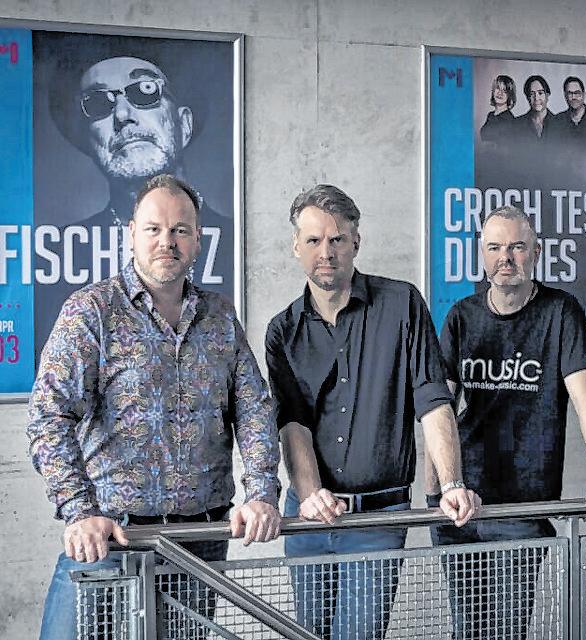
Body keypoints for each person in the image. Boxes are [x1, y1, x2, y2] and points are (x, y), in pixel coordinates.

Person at [27, 174, 281, 640]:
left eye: (180, 230)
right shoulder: (92, 311)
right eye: (154, 229)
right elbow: (48, 417)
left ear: (198, 239)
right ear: (131, 234)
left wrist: (262, 491)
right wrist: (79, 511)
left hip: (197, 545)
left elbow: (253, 410)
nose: (168, 241)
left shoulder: (220, 316)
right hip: (110, 541)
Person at [265, 184, 479, 640]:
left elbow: (433, 400)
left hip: (378, 518)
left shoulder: (402, 304)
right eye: (314, 240)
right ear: (296, 246)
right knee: (307, 634)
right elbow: (293, 422)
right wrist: (310, 494)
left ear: (356, 242)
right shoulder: (282, 330)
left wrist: (452, 483)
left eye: (337, 239)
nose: (326, 252)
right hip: (308, 516)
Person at [427, 205, 586, 639]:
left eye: (517, 246)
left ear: (536, 252)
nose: (506, 257)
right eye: (495, 247)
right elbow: (438, 408)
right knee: (467, 630)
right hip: (463, 503)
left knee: (509, 630)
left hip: (525, 506)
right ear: (481, 254)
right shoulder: (461, 316)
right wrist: (433, 490)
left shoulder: (560, 312)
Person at [41, 39, 234, 360]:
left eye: (145, 91)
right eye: (99, 103)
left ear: (184, 124)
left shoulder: (225, 302)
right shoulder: (63, 280)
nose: (122, 114)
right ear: (90, 142)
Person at [479, 74, 517, 143]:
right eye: (498, 88)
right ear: (493, 91)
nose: (500, 93)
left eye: (504, 91)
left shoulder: (509, 120)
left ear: (509, 96)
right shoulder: (491, 115)